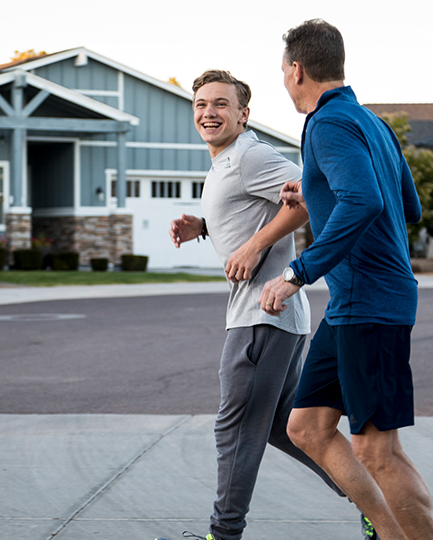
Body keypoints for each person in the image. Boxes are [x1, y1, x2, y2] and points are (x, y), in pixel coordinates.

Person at [258, 19, 433, 540]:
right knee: (307, 427)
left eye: (282, 72)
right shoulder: (370, 122)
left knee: (378, 451)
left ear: (296, 70)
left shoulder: (327, 124)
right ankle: (390, 533)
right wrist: (316, 190)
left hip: (370, 304)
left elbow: (365, 200)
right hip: (352, 306)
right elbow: (410, 204)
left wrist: (298, 272)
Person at [163, 70, 348, 540]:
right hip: (271, 317)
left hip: (261, 318)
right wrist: (203, 226)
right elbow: (257, 209)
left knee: (236, 430)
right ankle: (372, 498)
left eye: (222, 104)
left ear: (244, 114)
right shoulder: (227, 160)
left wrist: (253, 247)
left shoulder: (250, 155)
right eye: (202, 104)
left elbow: (311, 195)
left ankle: (223, 535)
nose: (210, 112)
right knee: (289, 429)